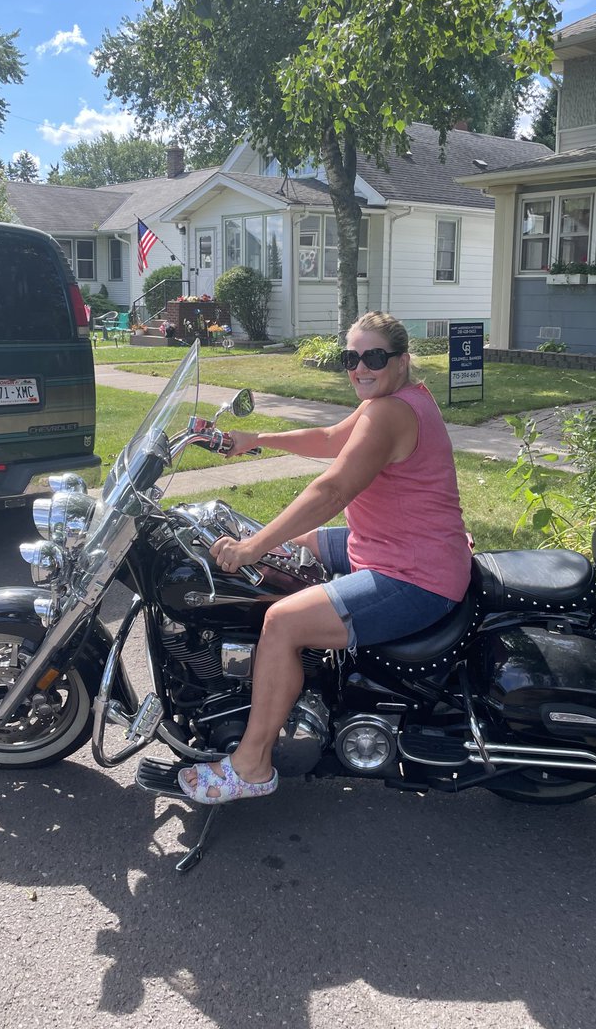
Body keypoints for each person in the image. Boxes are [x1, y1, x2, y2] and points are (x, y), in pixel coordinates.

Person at [178, 311, 472, 805]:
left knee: (282, 621)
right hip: (393, 544)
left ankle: (251, 765)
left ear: (401, 361)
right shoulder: (391, 401)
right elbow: (333, 439)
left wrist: (252, 547)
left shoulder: (391, 413)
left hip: (416, 574)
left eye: (373, 356)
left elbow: (332, 489)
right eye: (350, 358)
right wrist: (255, 440)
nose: (360, 367)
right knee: (292, 547)